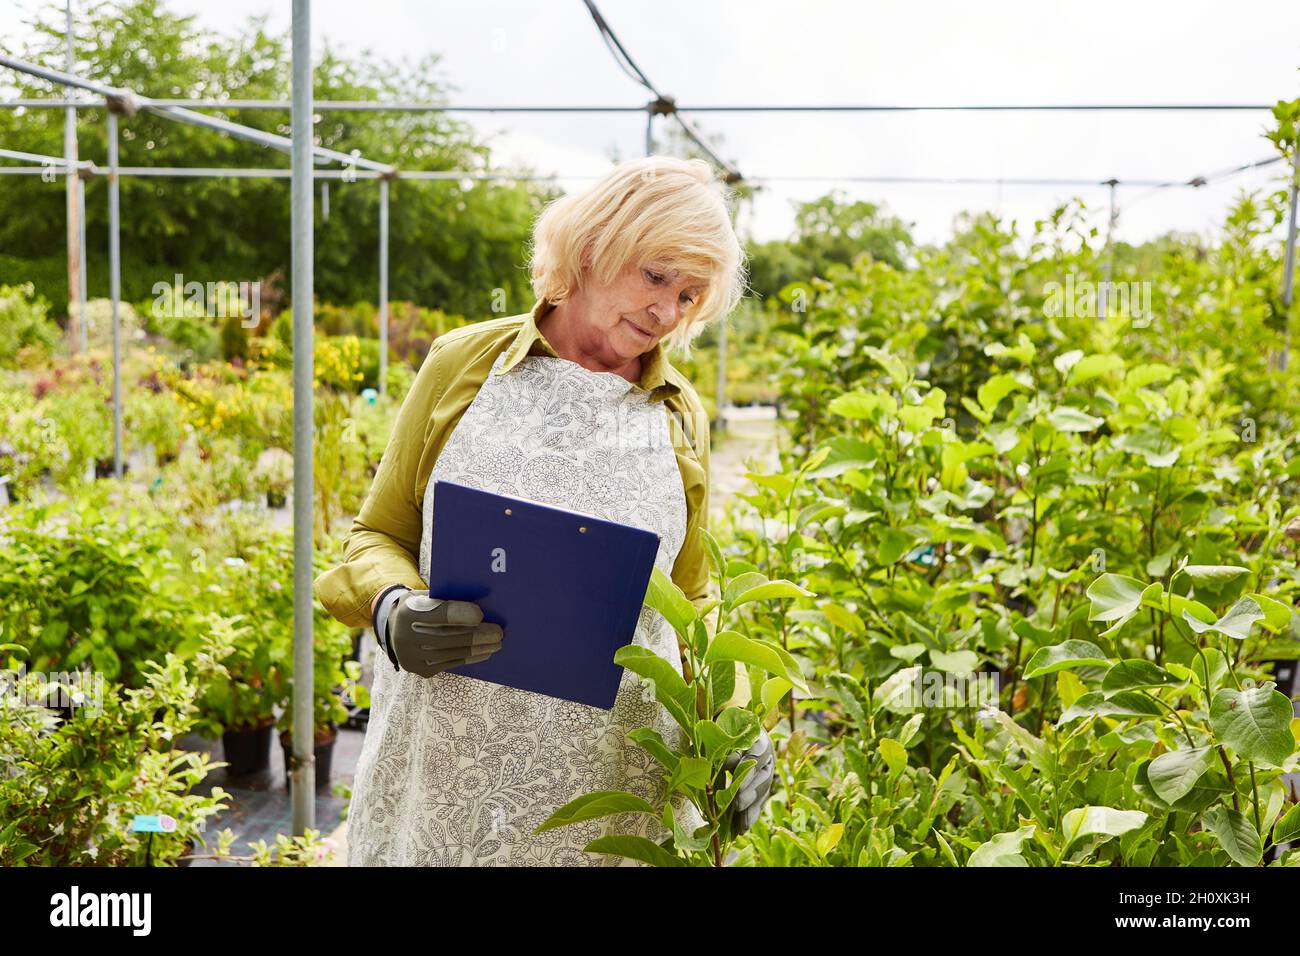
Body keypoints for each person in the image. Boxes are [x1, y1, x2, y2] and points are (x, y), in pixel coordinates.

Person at [315, 155, 774, 866]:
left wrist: (739, 720)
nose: (665, 313)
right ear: (592, 248)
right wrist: (392, 608)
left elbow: (692, 599)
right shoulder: (464, 365)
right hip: (445, 770)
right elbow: (377, 533)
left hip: (609, 792)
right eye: (655, 276)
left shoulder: (678, 414)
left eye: (689, 297)